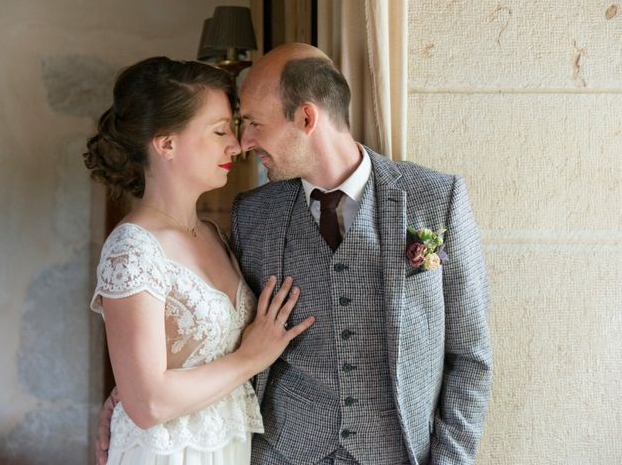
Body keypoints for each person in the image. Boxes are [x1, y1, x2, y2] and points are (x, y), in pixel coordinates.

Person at [97, 43, 492, 465]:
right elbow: (196, 331)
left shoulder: (435, 199)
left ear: (306, 118)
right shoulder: (252, 215)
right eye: (228, 128)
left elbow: (470, 358)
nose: (243, 143)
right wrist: (133, 391)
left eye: (252, 123)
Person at [85, 56, 314, 465]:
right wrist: (251, 357)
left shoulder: (214, 235)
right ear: (166, 143)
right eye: (219, 130)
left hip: (227, 448)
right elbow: (148, 404)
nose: (235, 145)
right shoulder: (133, 248)